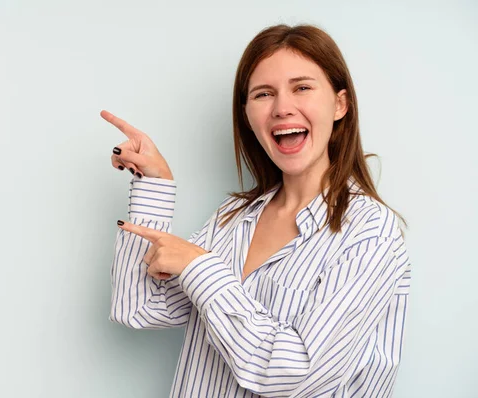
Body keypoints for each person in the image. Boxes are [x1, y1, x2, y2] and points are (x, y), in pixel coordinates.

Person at [102, 24, 411, 398]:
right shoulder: (232, 218)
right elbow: (139, 309)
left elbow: (295, 375)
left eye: (302, 87)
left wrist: (201, 268)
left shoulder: (370, 232)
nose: (282, 108)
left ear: (340, 104)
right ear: (248, 115)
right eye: (264, 94)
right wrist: (155, 186)